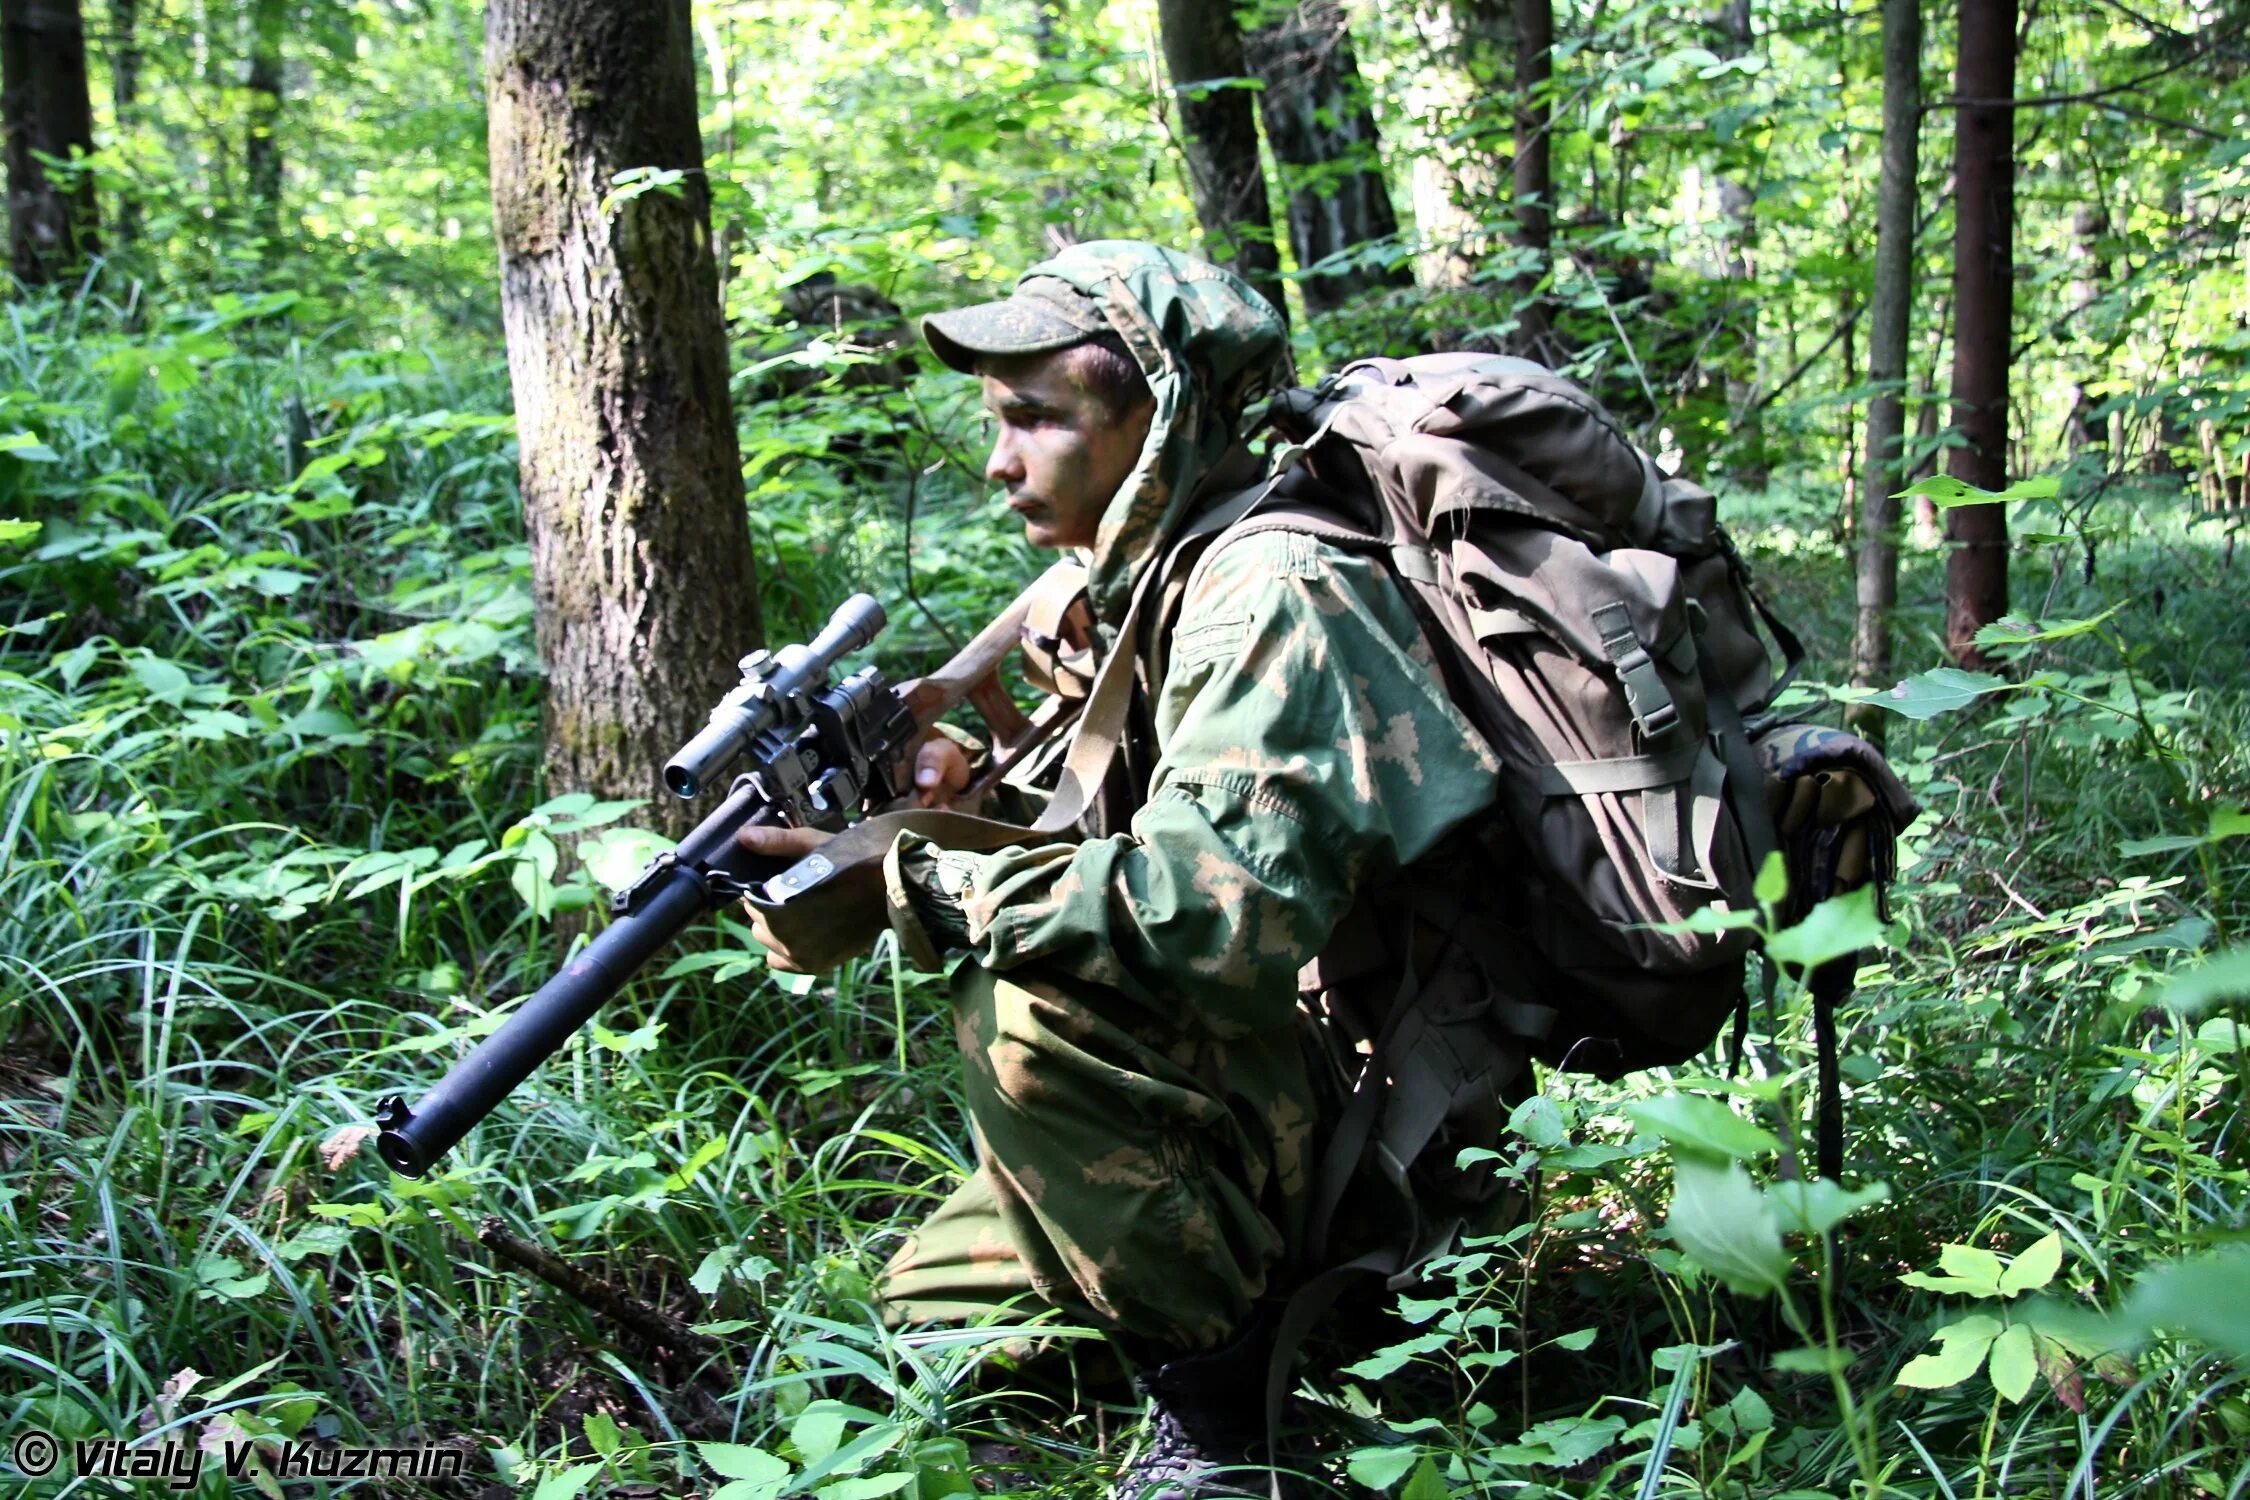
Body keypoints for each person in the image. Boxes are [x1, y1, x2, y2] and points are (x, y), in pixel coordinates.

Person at [736, 242, 1507, 1497]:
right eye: (999, 423)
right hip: (1279, 1078)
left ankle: (1229, 1439)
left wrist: (920, 876)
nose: (1000, 462)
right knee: (928, 1329)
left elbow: (1202, 922)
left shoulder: (1276, 590)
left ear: (1163, 420)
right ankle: (1220, 1312)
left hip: (1388, 1115)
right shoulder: (1154, 584)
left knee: (1024, 1002)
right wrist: (952, 799)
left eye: (1036, 419)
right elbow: (1143, 837)